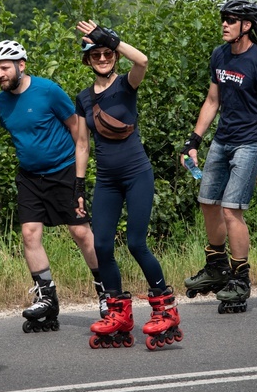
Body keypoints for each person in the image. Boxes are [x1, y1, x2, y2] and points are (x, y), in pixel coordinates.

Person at [74, 20, 182, 351]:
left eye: (107, 54)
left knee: (136, 242)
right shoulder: (82, 98)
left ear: (114, 58)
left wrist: (110, 38)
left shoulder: (126, 85)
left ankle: (165, 308)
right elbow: (82, 144)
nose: (103, 58)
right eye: (97, 54)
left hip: (137, 174)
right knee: (102, 246)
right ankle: (118, 311)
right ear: (88, 61)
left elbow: (143, 61)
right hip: (106, 180)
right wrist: (78, 188)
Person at [0, 40, 105, 332]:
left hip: (63, 170)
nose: (0, 74)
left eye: (4, 67)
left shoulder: (48, 90)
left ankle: (108, 292)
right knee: (29, 233)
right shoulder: (2, 101)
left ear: (21, 65)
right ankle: (47, 298)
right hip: (29, 176)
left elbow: (77, 130)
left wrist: (79, 173)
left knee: (80, 231)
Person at [181, 0, 257, 314]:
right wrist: (193, 141)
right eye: (223, 18)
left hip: (250, 144)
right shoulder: (219, 55)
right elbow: (212, 101)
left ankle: (240, 278)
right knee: (207, 201)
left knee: (231, 209)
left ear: (246, 25)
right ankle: (217, 267)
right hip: (222, 141)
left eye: (231, 19)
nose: (224, 23)